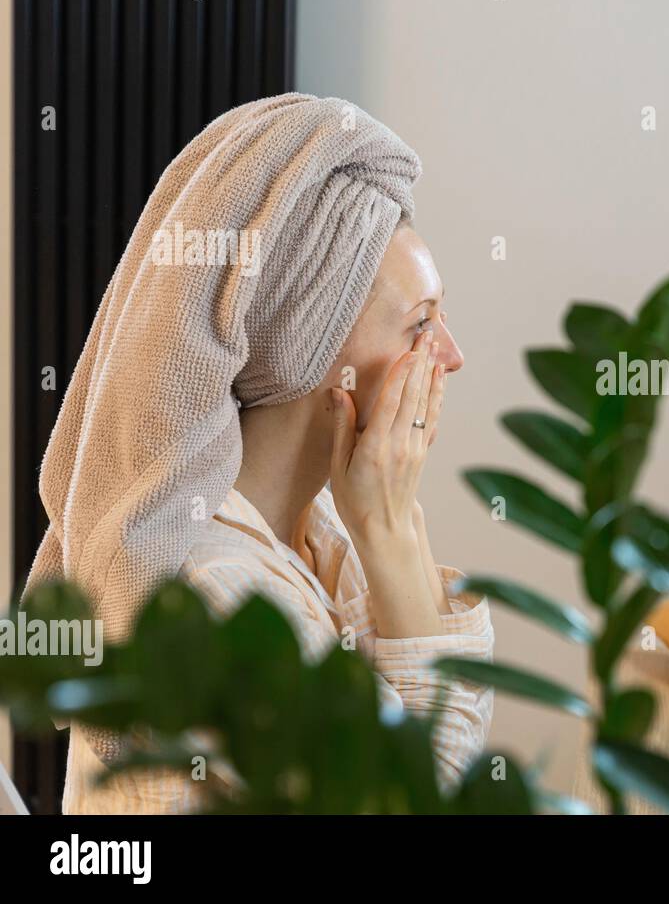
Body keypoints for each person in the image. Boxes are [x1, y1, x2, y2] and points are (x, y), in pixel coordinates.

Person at [23, 94, 493, 813]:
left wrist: (387, 526)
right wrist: (392, 537)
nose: (451, 357)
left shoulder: (313, 536)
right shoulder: (215, 595)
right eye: (421, 324)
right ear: (312, 345)